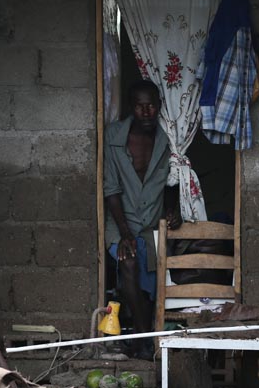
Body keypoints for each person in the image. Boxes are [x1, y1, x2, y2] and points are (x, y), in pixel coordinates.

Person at [103, 79, 181, 357]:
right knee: (128, 262)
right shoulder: (113, 137)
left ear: (160, 106)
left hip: (151, 222)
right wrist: (125, 233)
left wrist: (173, 210)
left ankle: (142, 339)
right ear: (130, 108)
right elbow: (111, 190)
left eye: (151, 106)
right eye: (140, 106)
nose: (146, 112)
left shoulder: (168, 138)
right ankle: (143, 337)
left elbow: (172, 181)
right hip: (120, 221)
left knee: (147, 284)